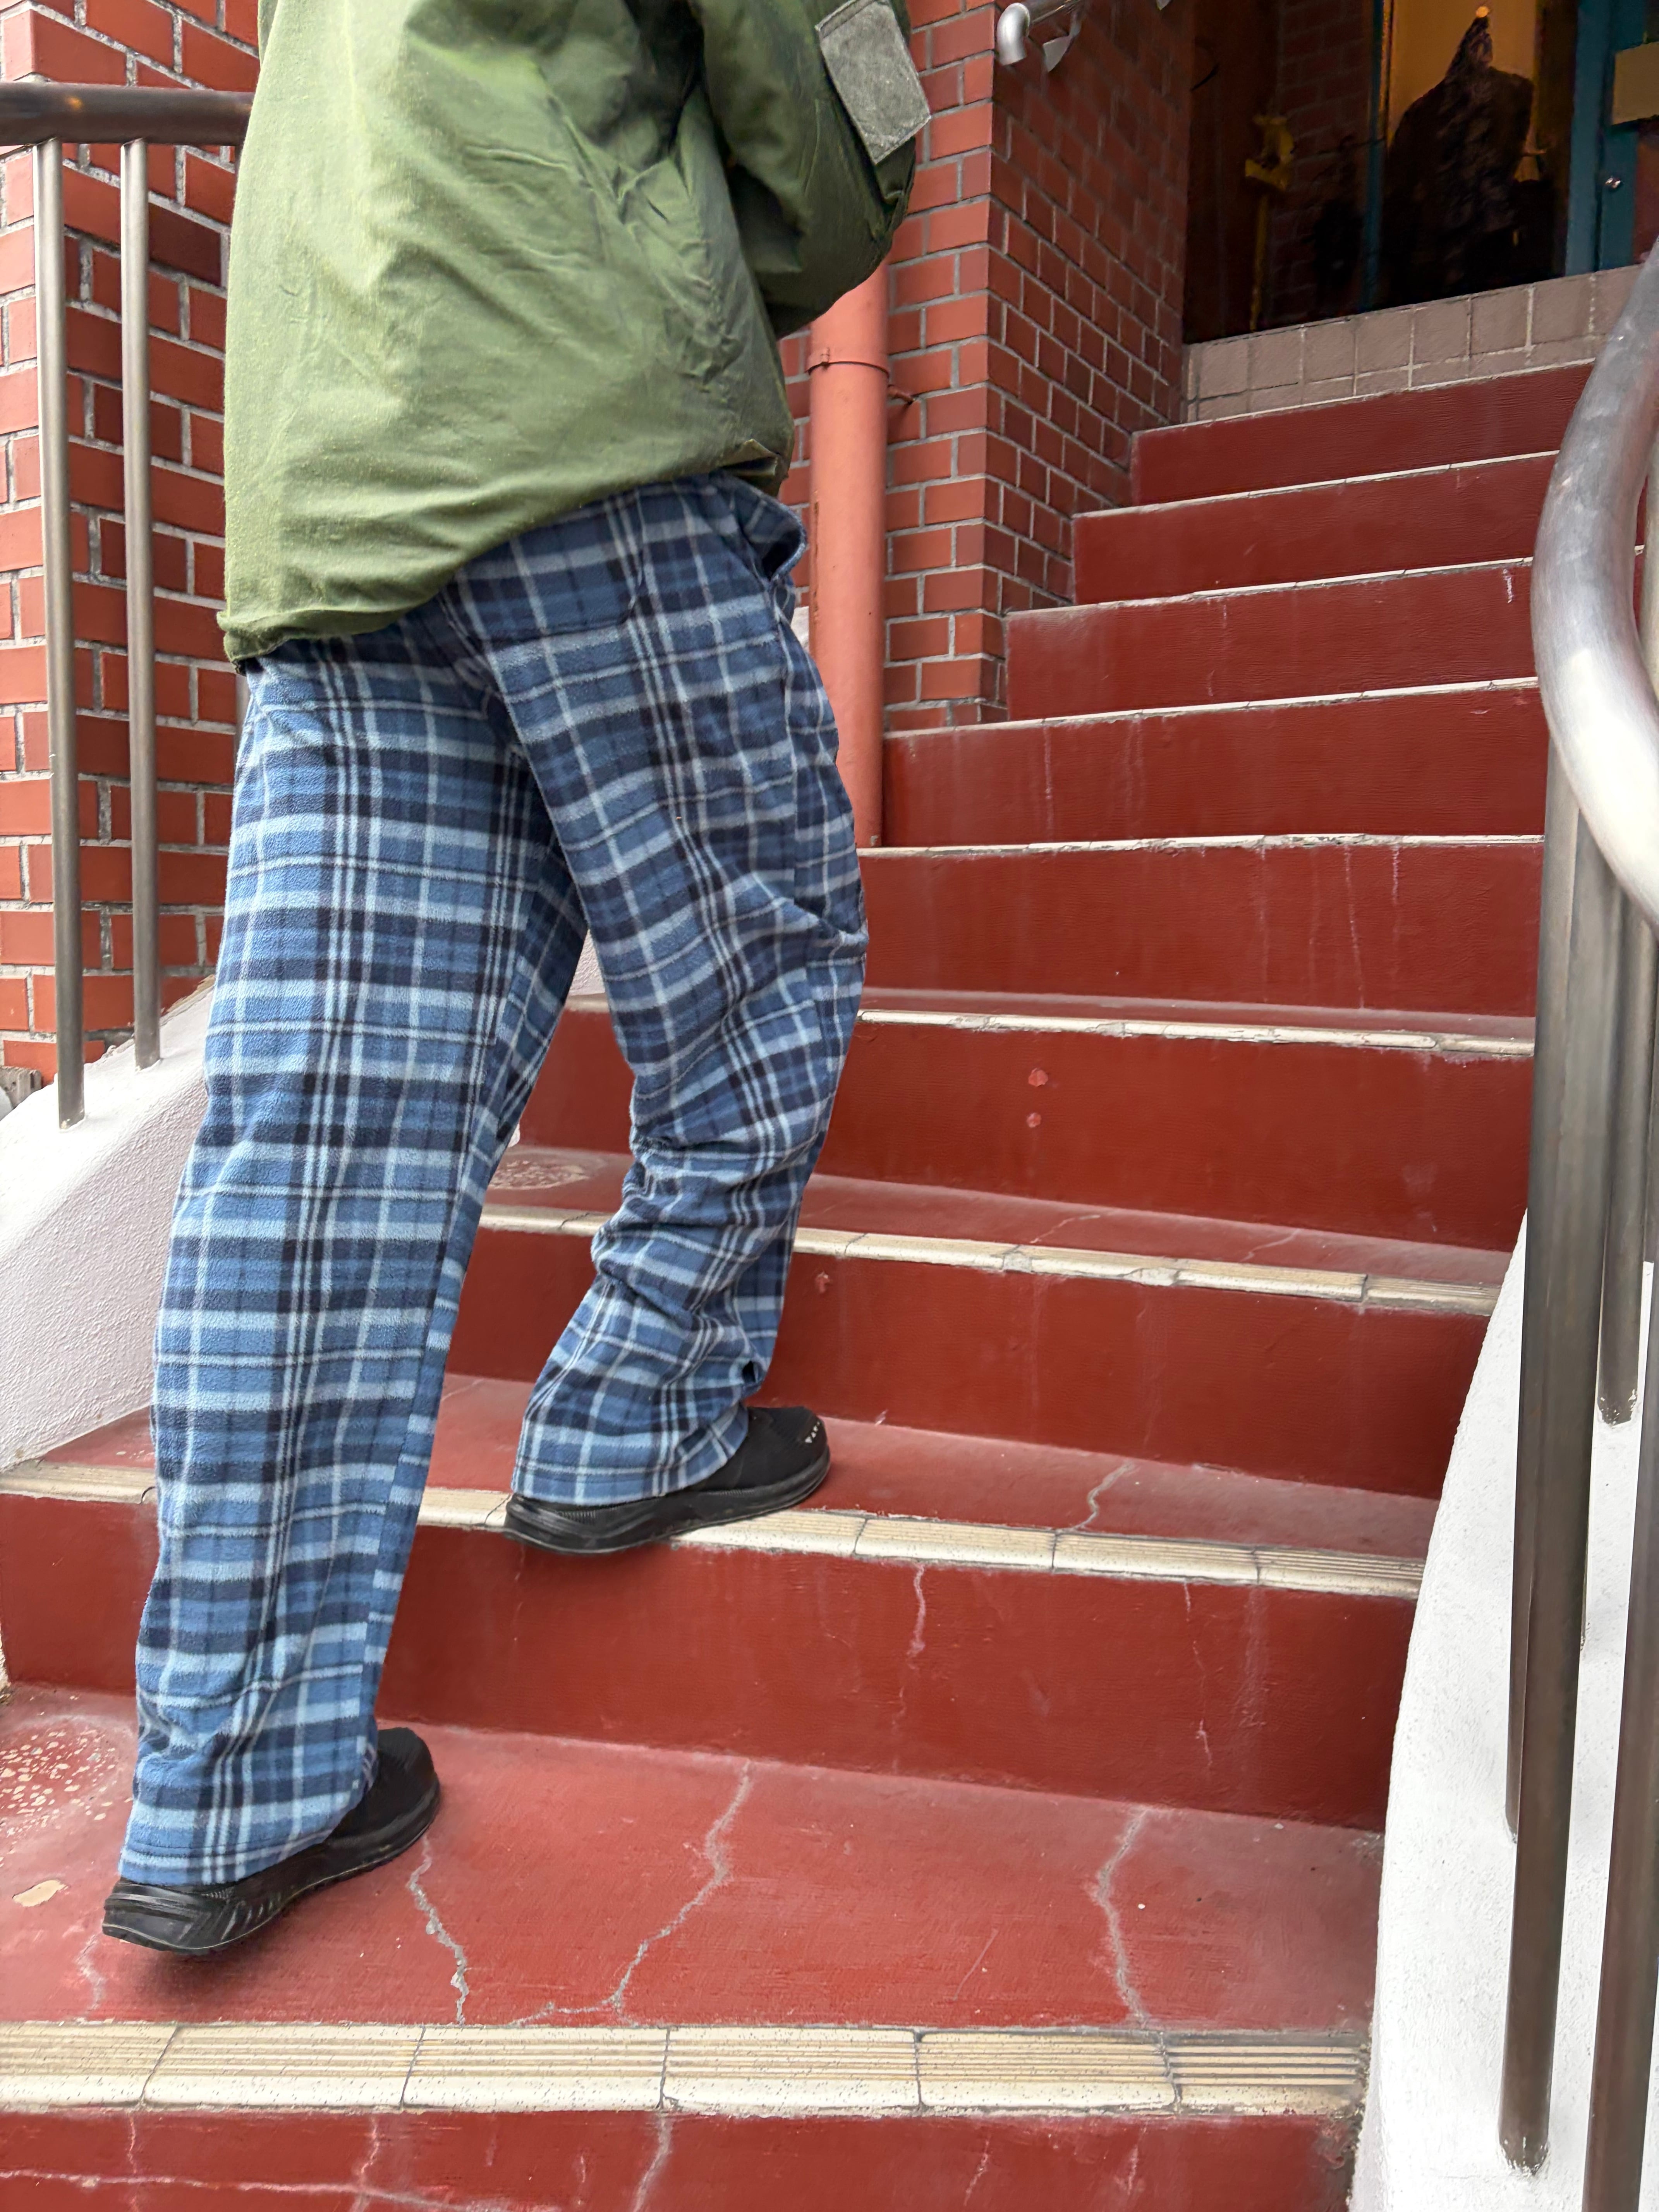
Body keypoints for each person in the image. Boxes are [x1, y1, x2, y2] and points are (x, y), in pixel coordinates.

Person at [101, 0, 922, 1956]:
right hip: (580, 431)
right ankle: (639, 1410)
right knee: (759, 948)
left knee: (320, 1154)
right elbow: (820, 160)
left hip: (336, 493)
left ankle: (232, 1786)